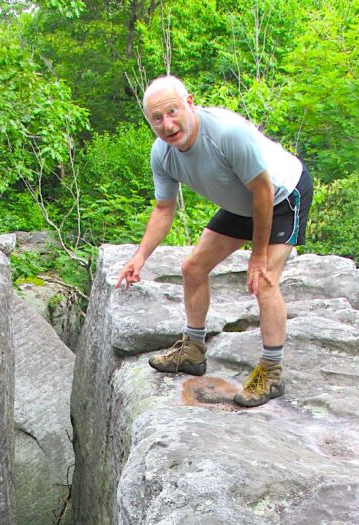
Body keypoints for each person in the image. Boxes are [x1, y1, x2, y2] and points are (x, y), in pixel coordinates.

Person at [115, 75, 313, 408]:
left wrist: (258, 256)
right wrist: (140, 257)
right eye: (157, 118)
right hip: (243, 203)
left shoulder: (226, 133)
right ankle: (192, 350)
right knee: (192, 268)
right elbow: (164, 209)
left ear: (190, 103)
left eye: (173, 111)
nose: (168, 124)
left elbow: (263, 192)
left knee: (264, 280)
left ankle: (271, 372)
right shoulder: (162, 154)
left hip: (281, 196)